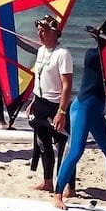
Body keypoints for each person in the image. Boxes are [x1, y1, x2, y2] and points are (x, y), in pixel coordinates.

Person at [53, 45, 106, 209]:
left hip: (96, 113)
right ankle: (57, 195)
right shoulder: (92, 55)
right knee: (76, 151)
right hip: (82, 109)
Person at [25, 14, 73, 193]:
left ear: (54, 32)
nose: (40, 34)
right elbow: (38, 79)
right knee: (43, 145)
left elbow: (67, 85)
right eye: (38, 30)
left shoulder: (63, 54)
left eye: (43, 31)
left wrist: (62, 111)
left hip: (55, 106)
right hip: (40, 103)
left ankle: (70, 186)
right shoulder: (41, 51)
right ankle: (47, 182)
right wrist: (33, 100)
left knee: (63, 147)